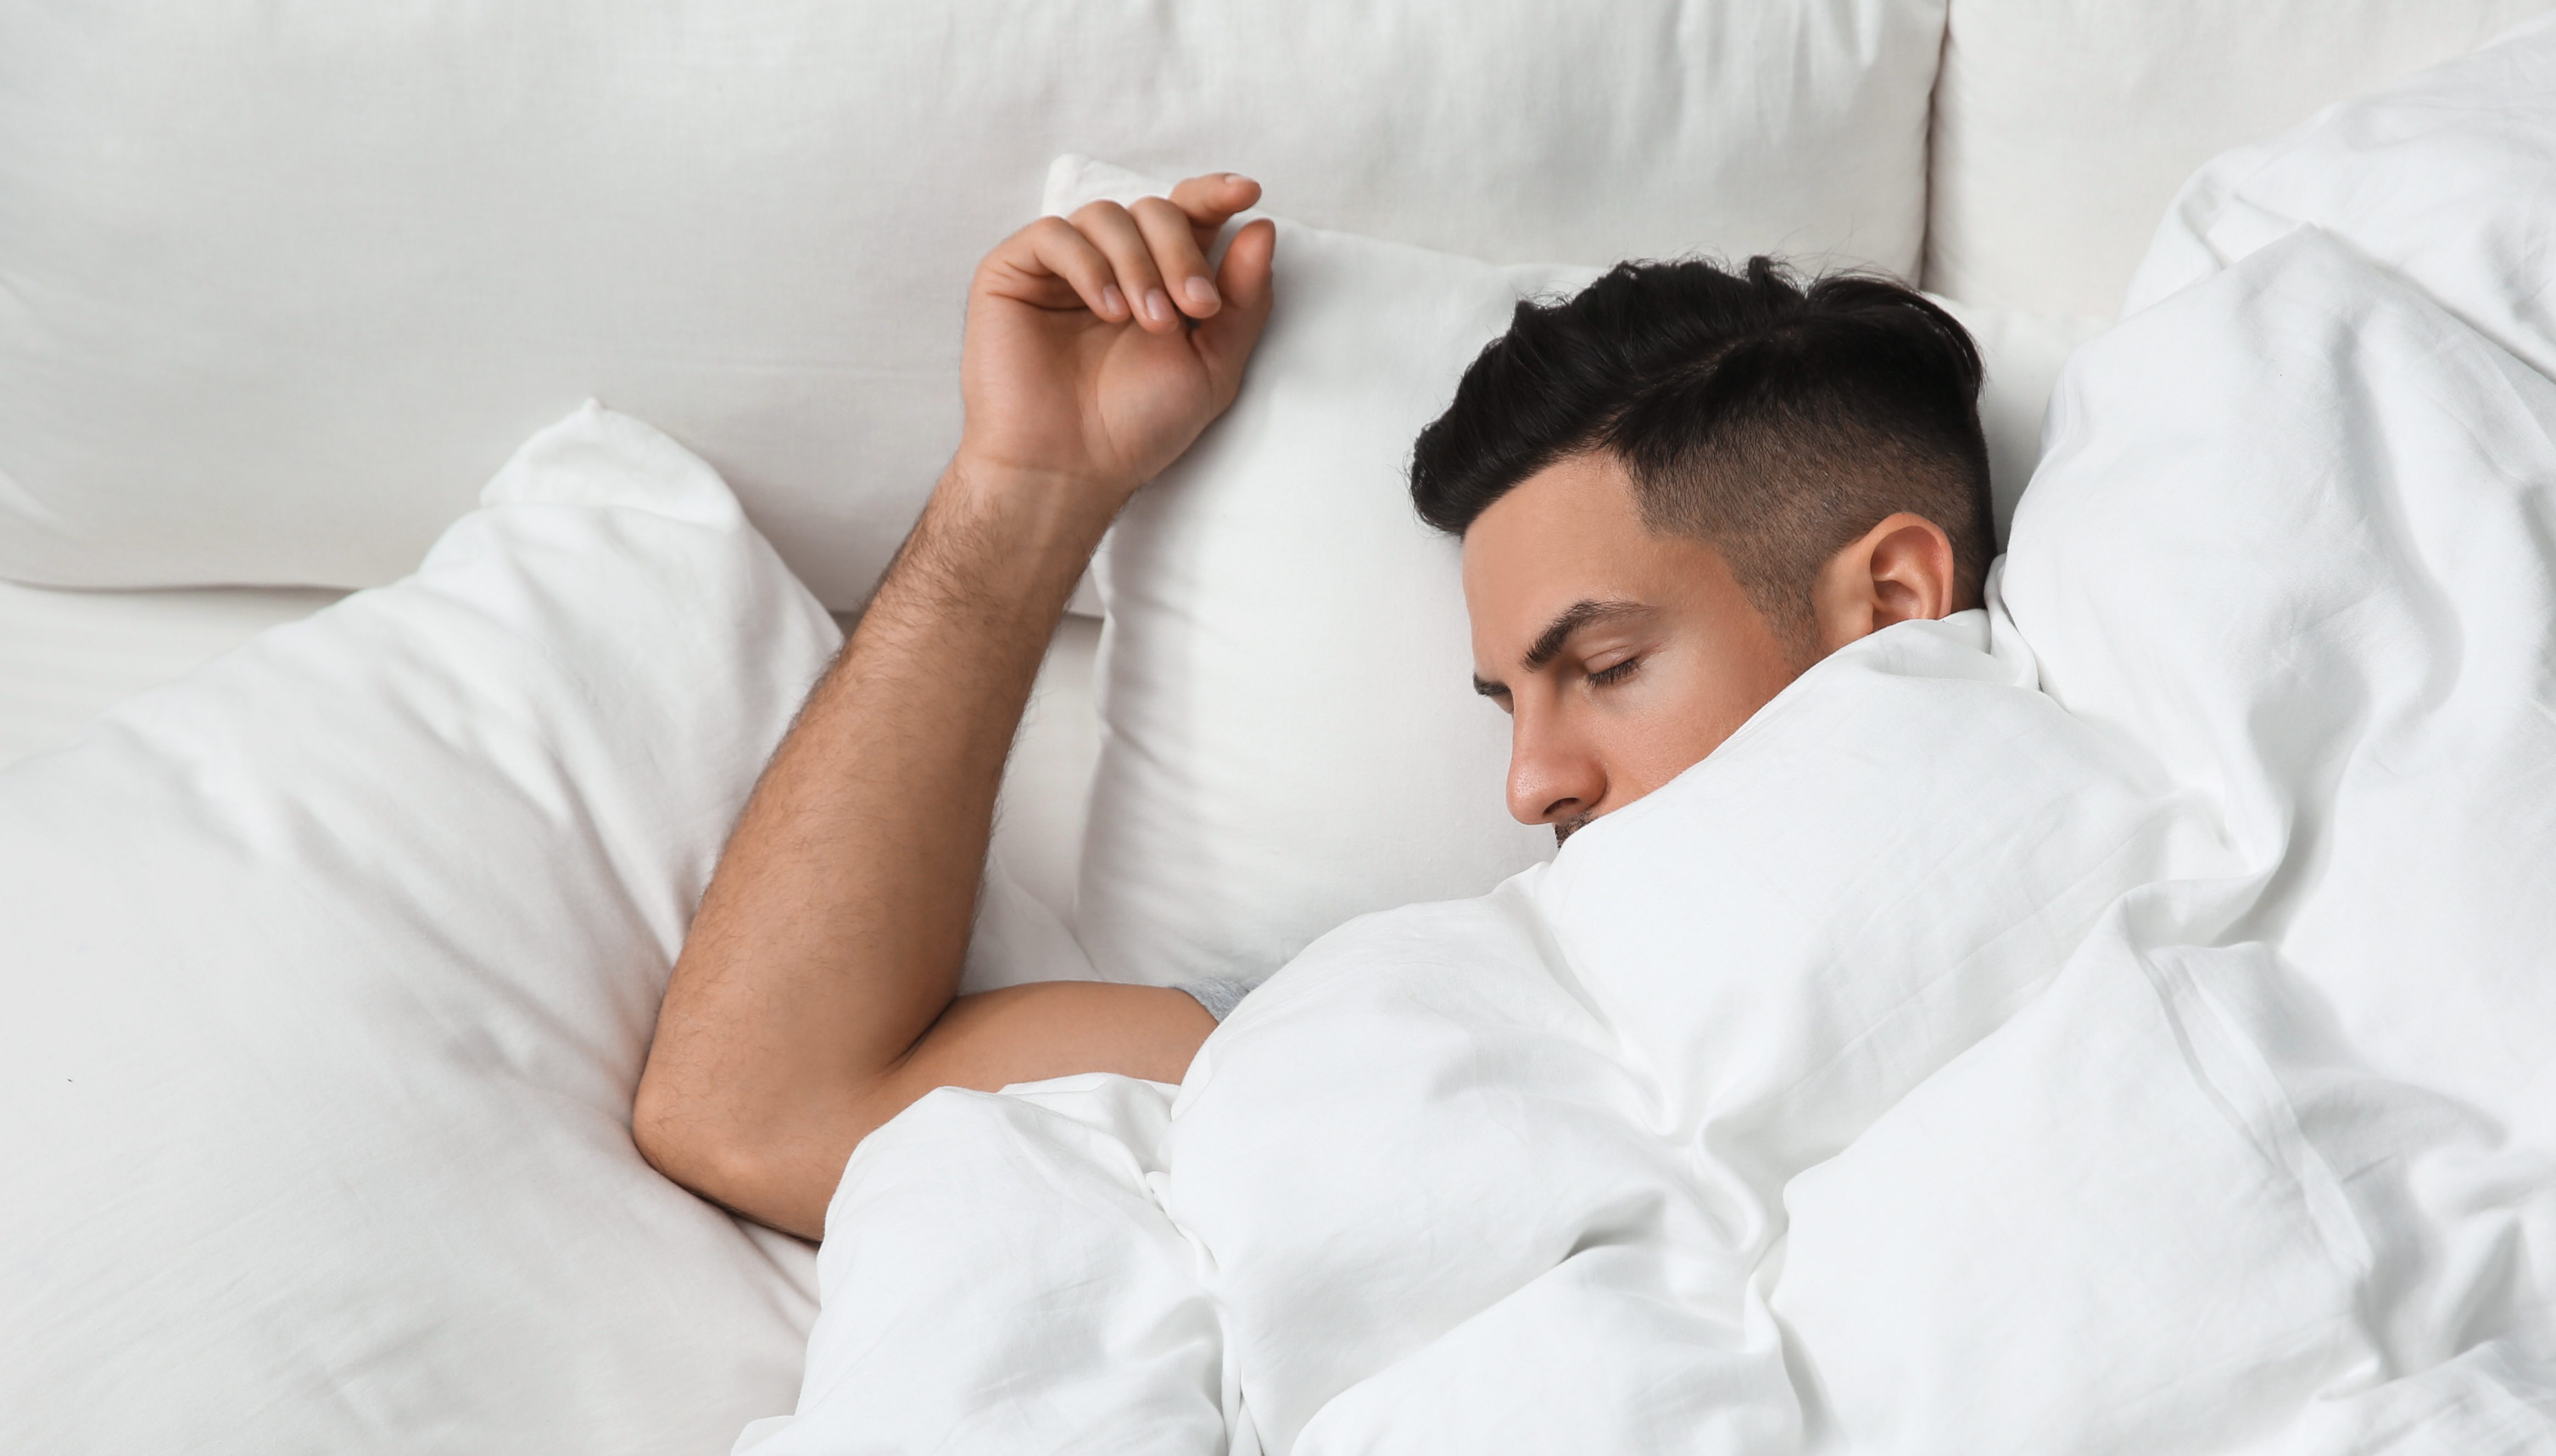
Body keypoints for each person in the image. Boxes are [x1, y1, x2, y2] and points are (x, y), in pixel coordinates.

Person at [632, 174, 1999, 1239]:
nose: (1529, 788)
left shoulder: (2170, 824)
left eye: (1607, 668)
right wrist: (1031, 482)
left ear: (1888, 602)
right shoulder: (1455, 1006)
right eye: (1508, 702)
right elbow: (759, 1110)